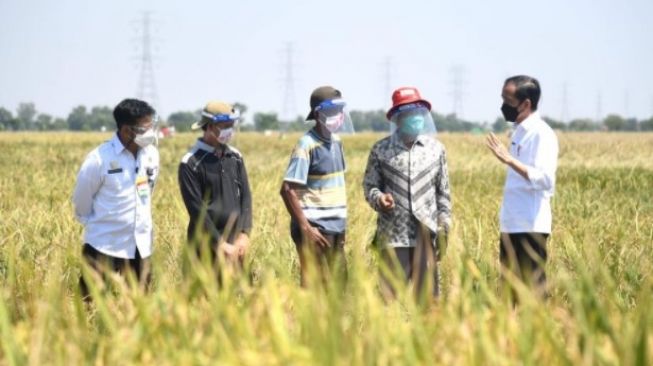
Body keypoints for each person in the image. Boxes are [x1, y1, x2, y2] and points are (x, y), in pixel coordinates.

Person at [363, 86, 451, 300]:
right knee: (389, 300)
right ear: (398, 118)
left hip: (426, 235)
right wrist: (379, 199)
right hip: (394, 236)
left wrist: (445, 226)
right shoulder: (381, 150)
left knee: (429, 302)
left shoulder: (435, 150)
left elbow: (444, 193)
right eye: (410, 114)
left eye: (419, 113)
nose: (416, 118)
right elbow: (369, 186)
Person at [73, 98, 159, 299]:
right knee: (89, 306)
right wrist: (100, 225)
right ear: (127, 130)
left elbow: (148, 190)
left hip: (141, 246)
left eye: (151, 126)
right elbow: (81, 201)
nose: (150, 133)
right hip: (104, 246)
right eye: (144, 129)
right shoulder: (98, 159)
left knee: (141, 307)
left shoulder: (152, 155)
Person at [486, 75, 559, 298]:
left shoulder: (542, 134)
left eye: (508, 100)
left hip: (531, 224)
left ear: (526, 103)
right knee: (509, 292)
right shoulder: (519, 131)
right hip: (512, 224)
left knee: (533, 291)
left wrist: (509, 160)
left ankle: (540, 332)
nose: (504, 106)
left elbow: (546, 180)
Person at [280, 86, 351, 286]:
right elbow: (287, 190)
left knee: (339, 286)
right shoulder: (306, 145)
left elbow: (336, 188)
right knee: (314, 289)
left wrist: (341, 228)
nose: (338, 116)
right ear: (319, 114)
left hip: (335, 228)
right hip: (315, 229)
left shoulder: (337, 142)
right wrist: (306, 228)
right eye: (332, 112)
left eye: (340, 111)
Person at [178, 101, 252, 276]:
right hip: (205, 246)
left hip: (236, 246)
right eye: (225, 126)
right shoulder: (191, 162)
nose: (230, 130)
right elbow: (197, 210)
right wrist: (220, 244)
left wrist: (244, 234)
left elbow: (246, 198)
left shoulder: (235, 157)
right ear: (209, 127)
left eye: (231, 126)